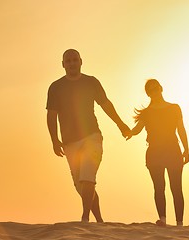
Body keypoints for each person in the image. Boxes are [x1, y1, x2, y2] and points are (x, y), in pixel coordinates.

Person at [46, 49, 130, 223]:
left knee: (87, 176)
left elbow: (105, 104)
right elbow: (51, 115)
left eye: (75, 60)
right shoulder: (56, 87)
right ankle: (99, 220)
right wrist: (54, 140)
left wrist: (121, 124)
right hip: (69, 143)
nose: (72, 63)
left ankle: (85, 218)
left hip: (92, 137)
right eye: (68, 61)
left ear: (81, 61)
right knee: (81, 184)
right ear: (63, 64)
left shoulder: (91, 82)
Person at [127, 79, 189, 227]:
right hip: (154, 152)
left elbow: (181, 129)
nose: (154, 90)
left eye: (156, 87)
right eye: (151, 89)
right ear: (148, 93)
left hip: (173, 151)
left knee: (176, 187)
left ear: (161, 88)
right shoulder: (147, 113)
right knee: (159, 187)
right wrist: (128, 131)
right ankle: (162, 220)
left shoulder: (175, 108)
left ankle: (179, 223)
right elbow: (137, 129)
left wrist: (186, 149)